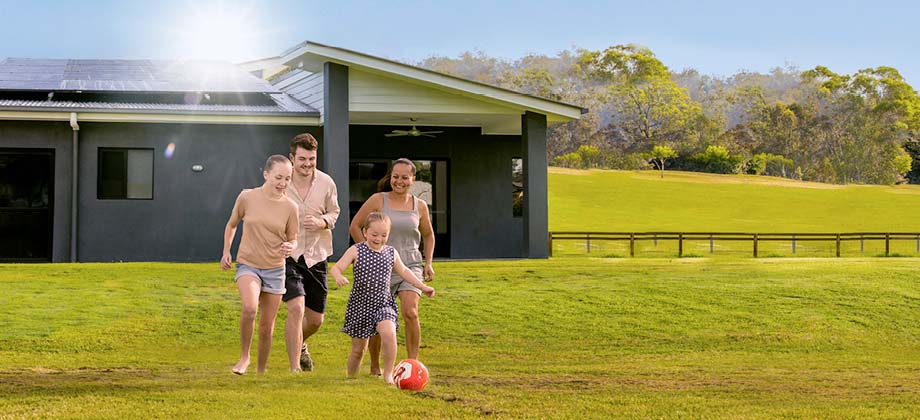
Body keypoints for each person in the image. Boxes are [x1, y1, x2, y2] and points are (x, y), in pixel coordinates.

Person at [349, 158, 435, 375]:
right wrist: (365, 254)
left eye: (405, 177)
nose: (399, 181)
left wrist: (429, 263)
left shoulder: (420, 205)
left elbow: (428, 235)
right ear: (391, 177)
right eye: (395, 176)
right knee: (379, 316)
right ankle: (376, 365)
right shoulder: (379, 200)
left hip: (410, 265)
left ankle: (411, 365)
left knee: (410, 311)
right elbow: (355, 226)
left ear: (413, 179)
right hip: (381, 267)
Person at [331, 212, 434, 382]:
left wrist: (423, 287)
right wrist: (338, 276)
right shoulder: (356, 250)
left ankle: (388, 375)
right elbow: (336, 268)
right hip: (360, 306)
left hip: (383, 303)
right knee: (358, 351)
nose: (379, 239)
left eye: (384, 235)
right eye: (374, 234)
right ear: (365, 232)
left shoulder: (391, 253)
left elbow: (405, 272)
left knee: (389, 333)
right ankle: (351, 379)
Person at [221, 154, 299, 375]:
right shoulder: (247, 197)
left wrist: (290, 247)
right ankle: (244, 357)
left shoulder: (290, 207)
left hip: (275, 268)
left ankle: (261, 371)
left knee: (266, 327)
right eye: (278, 177)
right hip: (249, 264)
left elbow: (293, 238)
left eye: (287, 178)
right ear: (266, 174)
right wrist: (226, 251)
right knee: (249, 307)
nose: (282, 183)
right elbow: (232, 224)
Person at [282, 133, 340, 372]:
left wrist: (322, 222)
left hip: (317, 254)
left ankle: (301, 343)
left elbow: (335, 212)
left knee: (316, 320)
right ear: (292, 158)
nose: (307, 164)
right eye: (302, 159)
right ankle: (295, 367)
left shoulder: (327, 182)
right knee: (296, 308)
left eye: (312, 159)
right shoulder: (281, 182)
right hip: (288, 254)